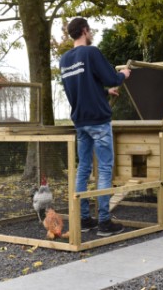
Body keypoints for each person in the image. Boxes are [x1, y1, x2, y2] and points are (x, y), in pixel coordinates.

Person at [60, 17, 131, 237]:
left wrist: (104, 93)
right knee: (105, 168)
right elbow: (111, 77)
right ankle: (104, 222)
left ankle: (84, 219)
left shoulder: (64, 60)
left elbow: (81, 86)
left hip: (80, 121)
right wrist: (123, 75)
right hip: (99, 121)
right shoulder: (91, 53)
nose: (91, 34)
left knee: (83, 169)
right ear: (84, 30)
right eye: (89, 31)